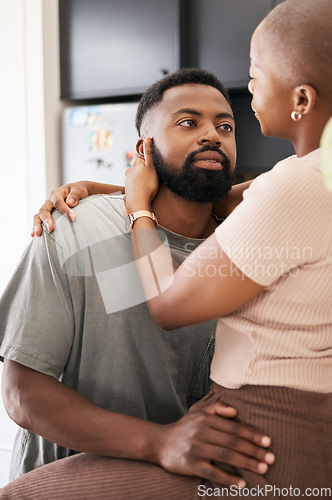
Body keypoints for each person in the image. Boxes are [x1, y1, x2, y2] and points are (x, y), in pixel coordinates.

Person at [3, 0, 329, 498]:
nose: (212, 136)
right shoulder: (73, 232)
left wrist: (133, 198)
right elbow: (21, 394)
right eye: (187, 123)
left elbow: (267, 190)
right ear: (141, 151)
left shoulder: (256, 223)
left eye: (225, 126)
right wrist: (115, 192)